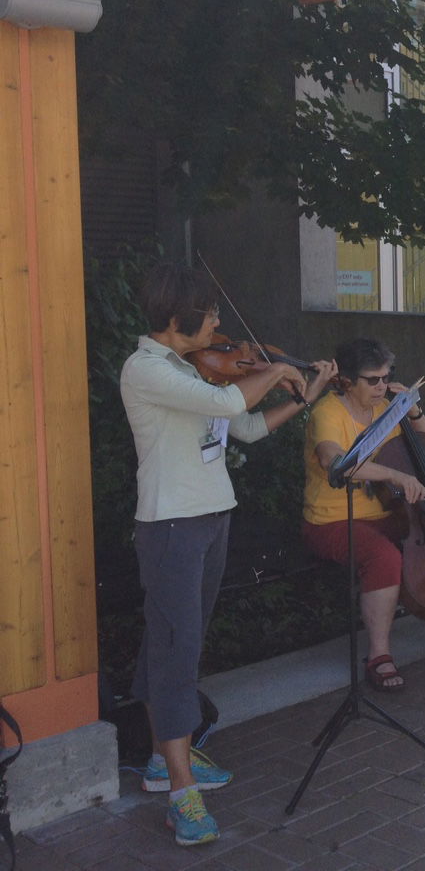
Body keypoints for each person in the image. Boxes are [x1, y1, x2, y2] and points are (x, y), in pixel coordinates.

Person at [122, 262, 335, 846]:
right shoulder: (147, 369)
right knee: (175, 649)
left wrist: (304, 394)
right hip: (171, 527)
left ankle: (165, 759)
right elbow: (226, 407)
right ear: (175, 319)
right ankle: (180, 796)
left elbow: (244, 429)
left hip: (211, 519)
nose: (219, 325)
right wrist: (278, 369)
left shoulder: (195, 371)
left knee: (173, 642)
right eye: (209, 313)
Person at [301, 337, 425, 695]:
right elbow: (333, 461)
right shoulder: (327, 412)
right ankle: (378, 654)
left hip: (384, 510)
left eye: (386, 378)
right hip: (332, 520)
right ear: (346, 380)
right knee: (384, 556)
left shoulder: (387, 407)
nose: (382, 386)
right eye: (373, 380)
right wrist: (393, 475)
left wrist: (412, 410)